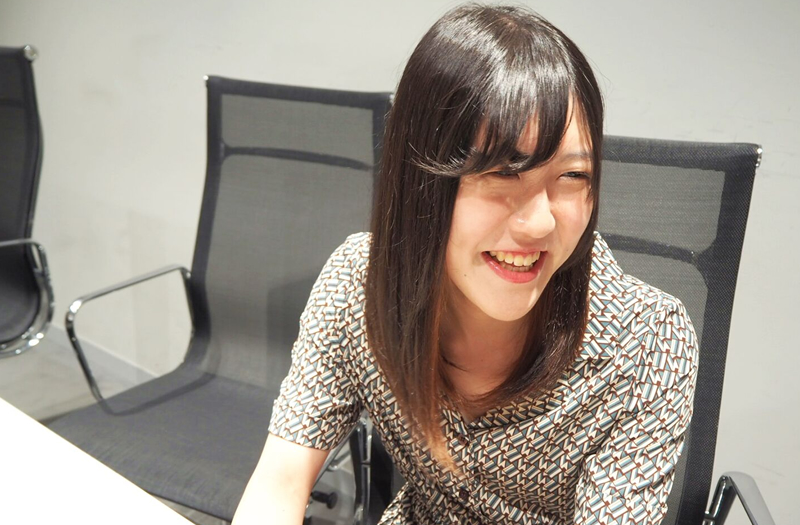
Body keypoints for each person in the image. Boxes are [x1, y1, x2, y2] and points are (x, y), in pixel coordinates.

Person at [234, 4, 698, 524]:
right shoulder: (358, 285)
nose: (539, 223)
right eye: (503, 172)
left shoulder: (646, 341)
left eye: (572, 177)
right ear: (421, 181)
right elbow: (280, 480)